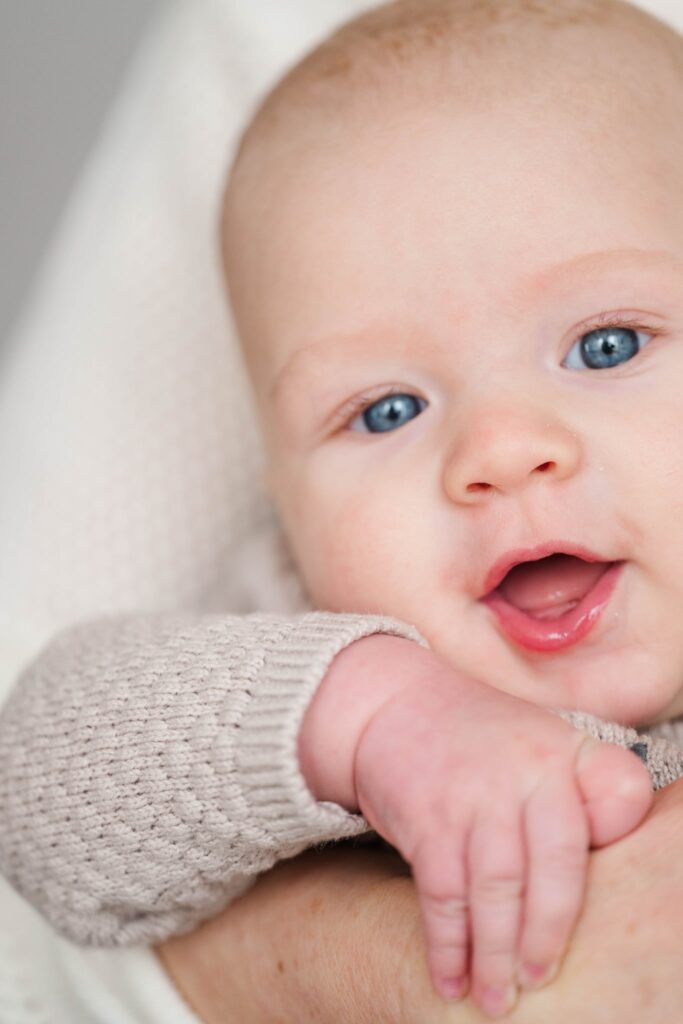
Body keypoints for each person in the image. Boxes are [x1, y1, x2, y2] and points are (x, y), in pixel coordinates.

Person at [2, 0, 683, 1021]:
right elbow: (43, 783)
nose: (497, 452)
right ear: (283, 505)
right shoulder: (302, 629)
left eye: (605, 346)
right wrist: (371, 719)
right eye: (386, 410)